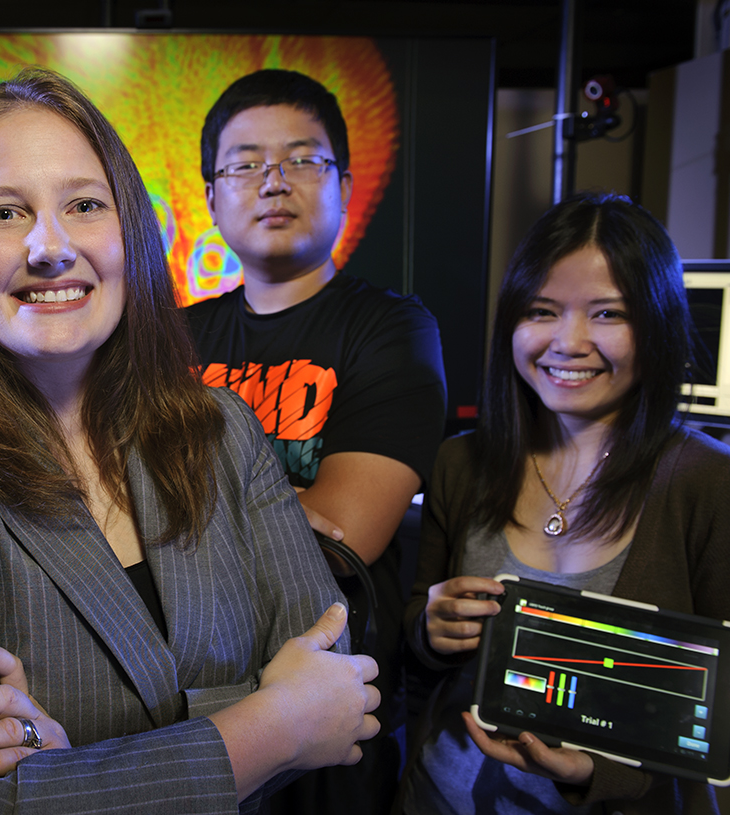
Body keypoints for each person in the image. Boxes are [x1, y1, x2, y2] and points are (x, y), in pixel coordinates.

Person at [0, 67, 381, 815]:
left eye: (84, 204)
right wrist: (271, 720)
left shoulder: (219, 427)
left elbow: (334, 689)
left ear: (131, 235)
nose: (49, 246)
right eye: (5, 212)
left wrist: (69, 774)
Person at [399, 192, 730, 815]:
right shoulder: (462, 462)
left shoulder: (715, 482)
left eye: (608, 314)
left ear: (658, 326)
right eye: (541, 310)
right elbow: (419, 651)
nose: (569, 341)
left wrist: (598, 768)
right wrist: (428, 628)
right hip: (436, 796)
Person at [186, 68, 447, 814]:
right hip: (194, 692)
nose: (274, 182)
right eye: (245, 164)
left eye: (302, 159)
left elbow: (346, 535)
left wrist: (187, 516)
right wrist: (288, 507)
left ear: (344, 185)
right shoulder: (170, 338)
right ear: (211, 195)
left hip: (340, 703)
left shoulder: (393, 329)